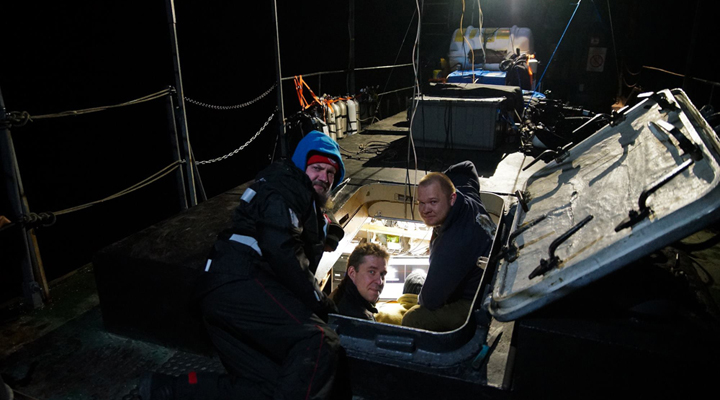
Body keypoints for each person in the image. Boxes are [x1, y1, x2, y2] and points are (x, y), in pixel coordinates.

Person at [140, 131, 346, 400]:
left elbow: (304, 218)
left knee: (278, 383)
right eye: (317, 167)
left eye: (331, 173)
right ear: (300, 165)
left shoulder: (286, 189)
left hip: (219, 289)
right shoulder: (283, 188)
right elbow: (281, 248)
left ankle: (168, 389)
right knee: (320, 340)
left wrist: (329, 227)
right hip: (241, 280)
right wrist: (320, 301)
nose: (324, 177)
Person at [401, 161, 496, 332]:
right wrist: (440, 182)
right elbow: (467, 166)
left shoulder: (452, 246)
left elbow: (429, 301)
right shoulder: (466, 194)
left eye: (433, 202)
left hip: (476, 300)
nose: (425, 210)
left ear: (452, 198)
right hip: (484, 264)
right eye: (421, 202)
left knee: (414, 318)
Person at [329, 242, 389, 321]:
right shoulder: (356, 318)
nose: (379, 282)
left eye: (382, 274)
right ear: (352, 273)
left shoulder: (338, 296)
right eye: (372, 272)